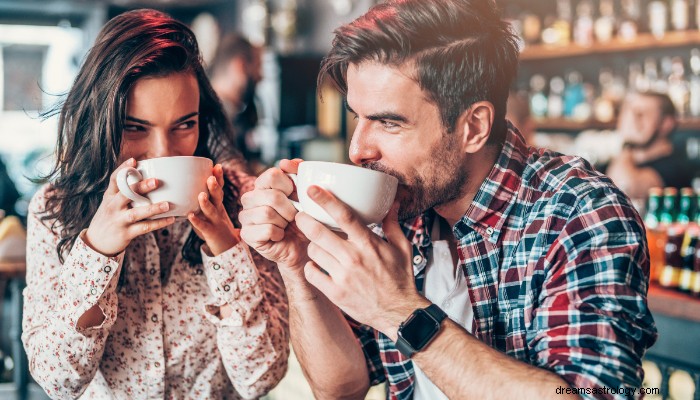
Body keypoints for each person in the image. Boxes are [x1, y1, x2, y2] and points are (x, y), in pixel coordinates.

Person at [239, 1, 657, 399]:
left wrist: (399, 311)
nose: (358, 149)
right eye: (357, 118)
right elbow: (341, 388)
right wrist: (295, 263)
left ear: (473, 127)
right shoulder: (399, 207)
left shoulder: (578, 212)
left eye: (388, 122)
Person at [22, 9, 288, 399]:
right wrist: (97, 251)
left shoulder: (244, 202)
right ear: (99, 123)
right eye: (135, 127)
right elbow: (60, 381)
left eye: (185, 125)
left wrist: (226, 248)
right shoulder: (54, 210)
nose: (163, 154)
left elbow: (260, 378)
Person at [606, 91, 694, 200]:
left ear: (666, 123)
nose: (631, 120)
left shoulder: (675, 168)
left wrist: (627, 143)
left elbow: (625, 189)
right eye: (629, 113)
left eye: (641, 114)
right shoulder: (623, 162)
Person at [208, 33, 265, 174]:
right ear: (241, 66)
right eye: (258, 67)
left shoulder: (233, 114)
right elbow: (235, 175)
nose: (261, 76)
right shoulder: (213, 115)